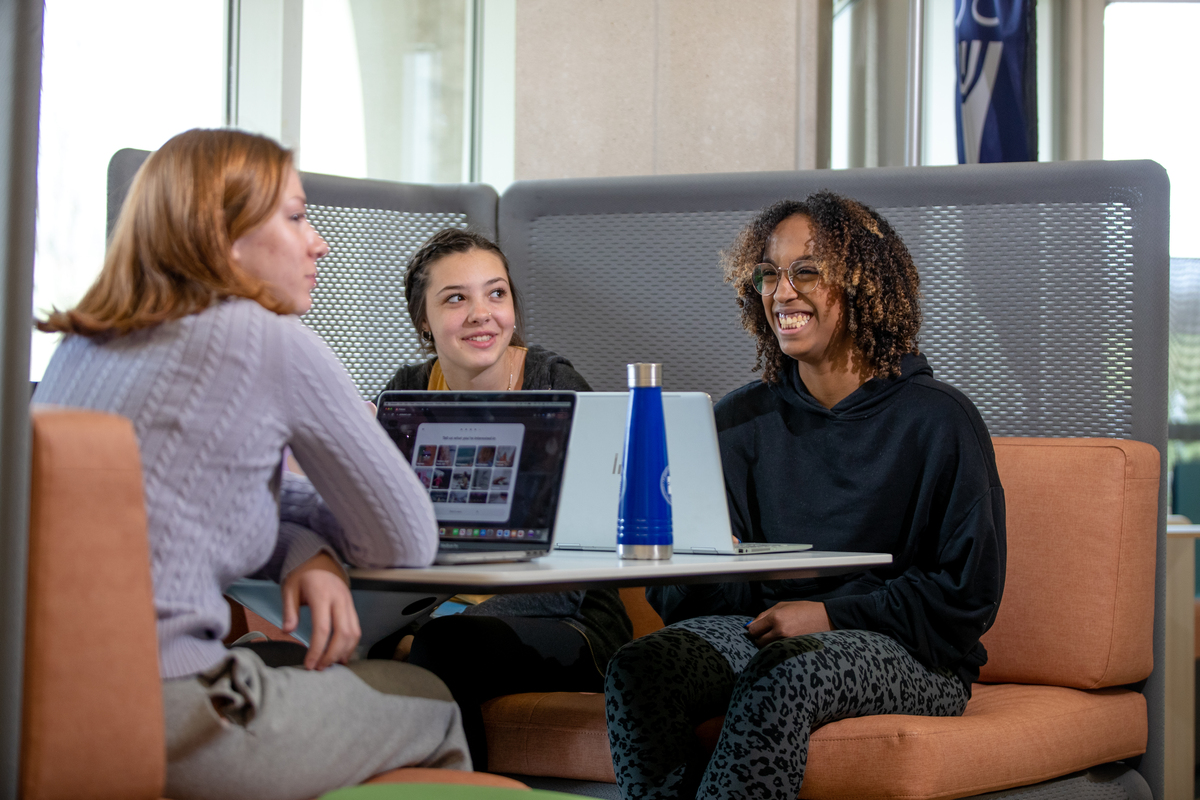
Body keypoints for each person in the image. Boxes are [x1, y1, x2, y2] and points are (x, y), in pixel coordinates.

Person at [32, 129, 470, 800]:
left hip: (54, 706)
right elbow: (404, 537)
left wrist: (304, 548)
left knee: (296, 663)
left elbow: (176, 509)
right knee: (430, 699)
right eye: (295, 217)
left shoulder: (87, 343)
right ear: (222, 236)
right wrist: (324, 536)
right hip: (181, 716)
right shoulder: (265, 338)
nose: (318, 241)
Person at [603, 193, 1006, 800]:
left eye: (807, 271)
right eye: (769, 273)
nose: (782, 291)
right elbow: (695, 604)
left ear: (863, 285)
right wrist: (704, 561)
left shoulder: (938, 420)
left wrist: (830, 615)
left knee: (783, 672)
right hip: (759, 634)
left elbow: (965, 592)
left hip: (916, 658)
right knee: (639, 669)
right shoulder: (738, 420)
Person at [383, 227, 633, 770]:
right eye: (456, 298)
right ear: (423, 321)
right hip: (434, 614)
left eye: (496, 293)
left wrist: (428, 627)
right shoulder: (405, 391)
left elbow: (582, 564)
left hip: (572, 619)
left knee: (444, 646)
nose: (482, 313)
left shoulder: (552, 383)